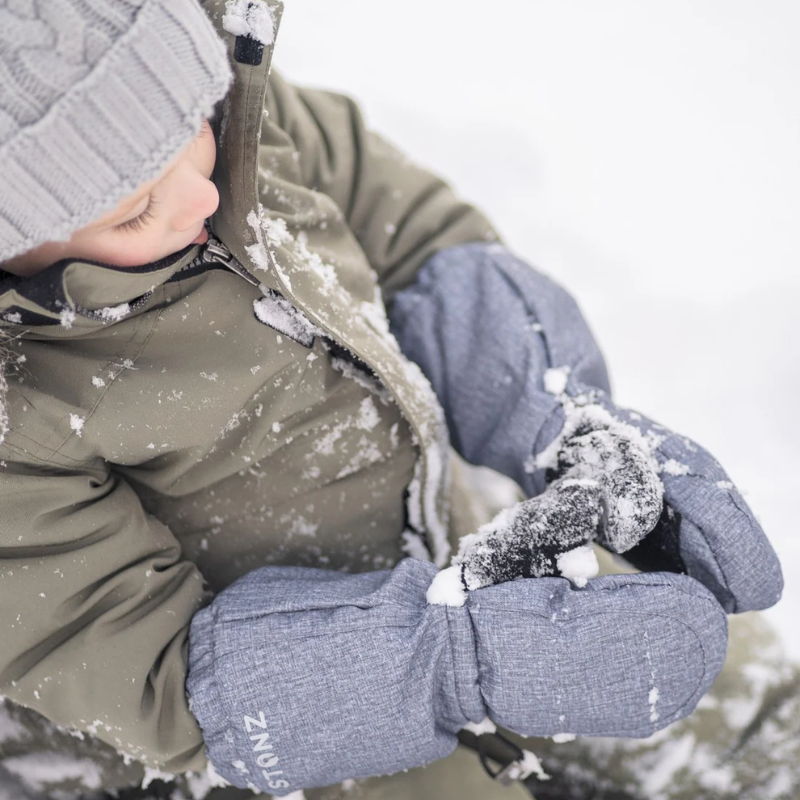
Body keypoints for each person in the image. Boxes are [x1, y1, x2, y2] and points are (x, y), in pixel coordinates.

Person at [0, 1, 792, 799]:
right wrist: (449, 662)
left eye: (192, 133)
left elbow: (416, 239)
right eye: (135, 209)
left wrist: (550, 411)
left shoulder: (237, 127)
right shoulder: (18, 421)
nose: (203, 199)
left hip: (462, 543)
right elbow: (158, 679)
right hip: (287, 717)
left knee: (747, 709)